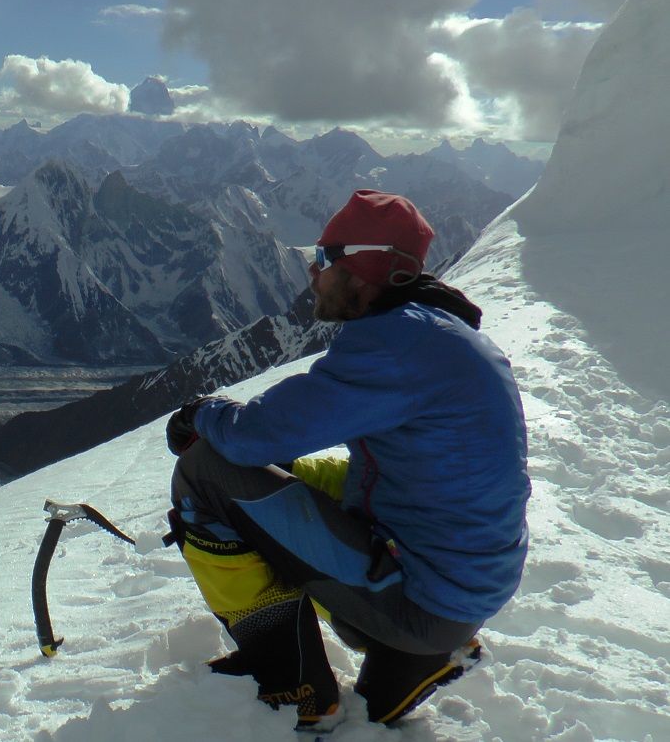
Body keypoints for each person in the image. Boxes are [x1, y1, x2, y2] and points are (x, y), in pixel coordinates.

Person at [165, 189, 529, 729]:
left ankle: (293, 682)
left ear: (363, 265)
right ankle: (415, 658)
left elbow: (254, 437)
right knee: (287, 475)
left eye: (324, 257)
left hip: (420, 598)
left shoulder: (396, 344)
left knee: (205, 474)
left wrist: (201, 415)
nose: (312, 271)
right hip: (460, 579)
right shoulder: (440, 333)